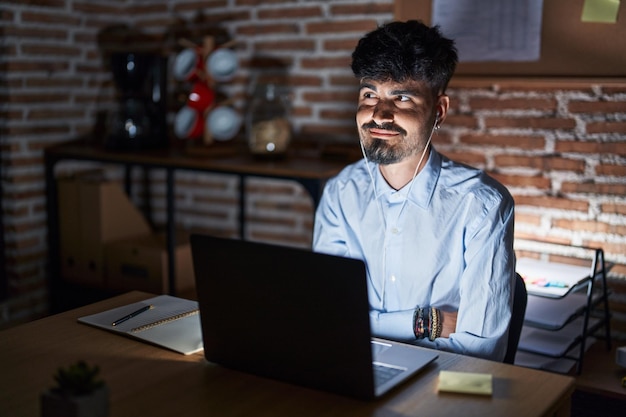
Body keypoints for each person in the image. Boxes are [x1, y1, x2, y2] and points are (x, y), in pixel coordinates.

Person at [313, 20, 516, 361]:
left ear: (439, 111)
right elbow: (328, 317)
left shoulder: (481, 205)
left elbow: (480, 350)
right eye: (369, 94)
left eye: (402, 97)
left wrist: (372, 327)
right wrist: (425, 322)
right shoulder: (340, 192)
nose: (379, 114)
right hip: (351, 366)